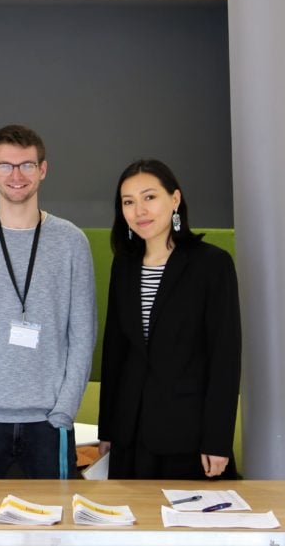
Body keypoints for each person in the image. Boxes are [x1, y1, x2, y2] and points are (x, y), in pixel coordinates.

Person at [0, 124, 96, 479]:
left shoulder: (72, 243)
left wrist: (65, 410)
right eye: (6, 166)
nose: (17, 175)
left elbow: (83, 333)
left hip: (49, 422)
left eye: (26, 165)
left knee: (56, 532)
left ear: (43, 169)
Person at [98, 159, 241, 479]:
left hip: (188, 435)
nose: (139, 211)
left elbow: (225, 358)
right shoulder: (124, 266)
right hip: (129, 434)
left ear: (174, 200)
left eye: (150, 197)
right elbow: (115, 353)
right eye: (128, 202)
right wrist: (107, 430)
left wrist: (217, 440)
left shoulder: (212, 265)